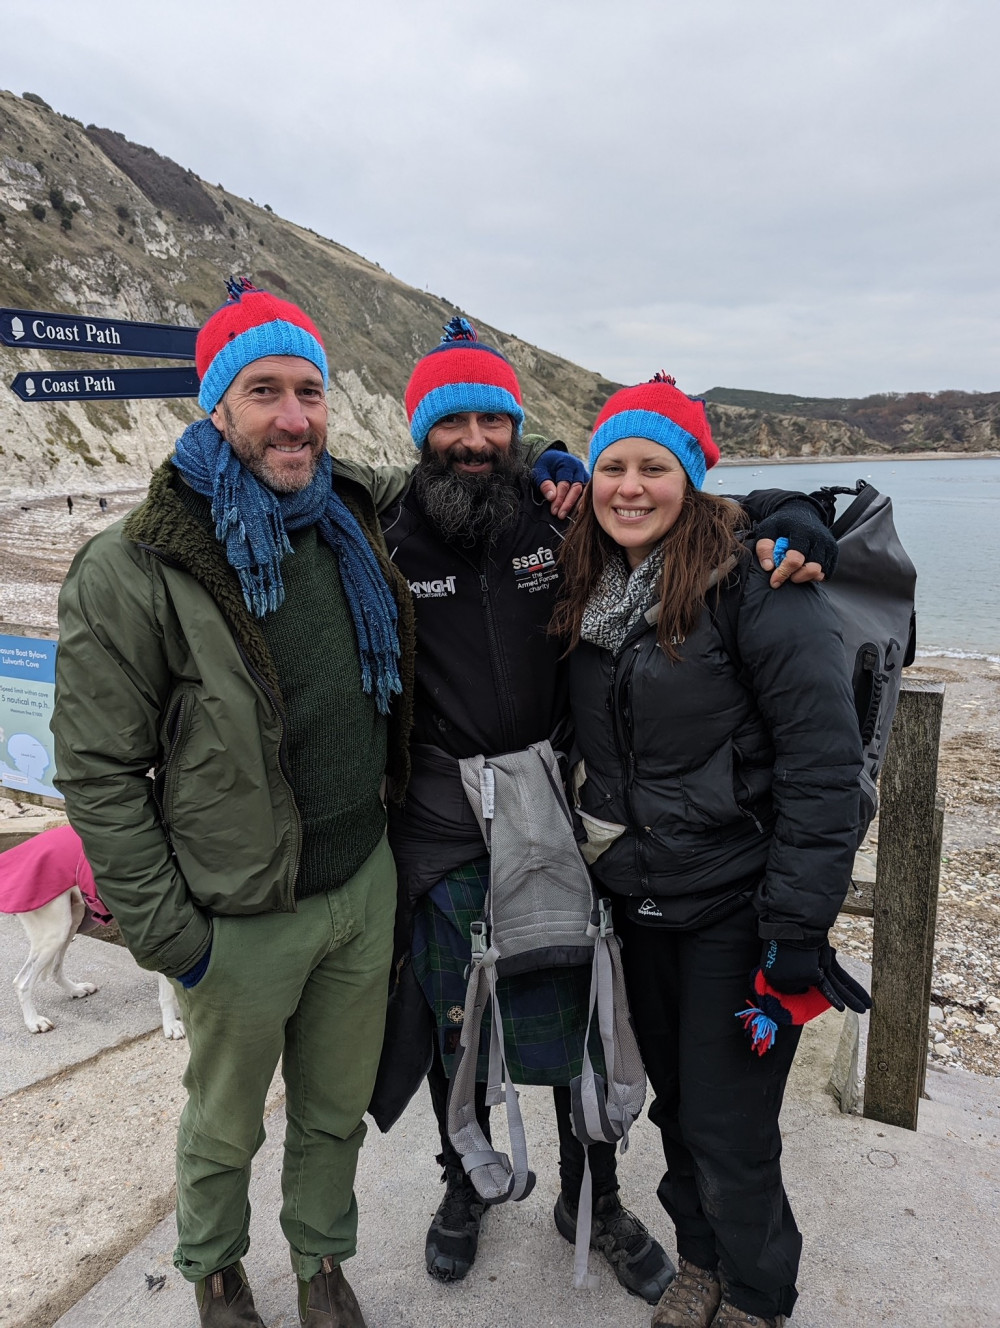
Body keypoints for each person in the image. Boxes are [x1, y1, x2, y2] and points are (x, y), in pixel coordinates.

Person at [373, 328, 840, 1302]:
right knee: (460, 1025)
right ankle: (463, 1184)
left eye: (490, 417)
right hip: (445, 824)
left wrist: (791, 514)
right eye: (449, 420)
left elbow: (688, 516)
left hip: (564, 823)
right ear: (419, 433)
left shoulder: (562, 527)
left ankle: (600, 1197)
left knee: (583, 1028)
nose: (471, 437)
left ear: (517, 428)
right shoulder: (383, 533)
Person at [51, 279, 414, 1328]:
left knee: (333, 1112)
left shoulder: (344, 512)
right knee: (223, 1123)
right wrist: (176, 937)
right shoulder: (134, 563)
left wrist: (563, 478)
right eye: (264, 390)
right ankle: (214, 1264)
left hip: (360, 880)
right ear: (217, 404)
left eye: (310, 390)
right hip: (238, 912)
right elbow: (100, 774)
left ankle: (320, 1262)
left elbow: (450, 474)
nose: (293, 415)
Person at [551, 376, 868, 1328]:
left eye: (655, 466)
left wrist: (798, 926)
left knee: (732, 1126)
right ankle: (700, 1260)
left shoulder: (761, 590)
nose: (630, 486)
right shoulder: (590, 587)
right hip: (636, 906)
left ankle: (761, 1295)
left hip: (738, 908)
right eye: (613, 466)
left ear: (691, 479)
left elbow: (825, 766)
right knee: (676, 1111)